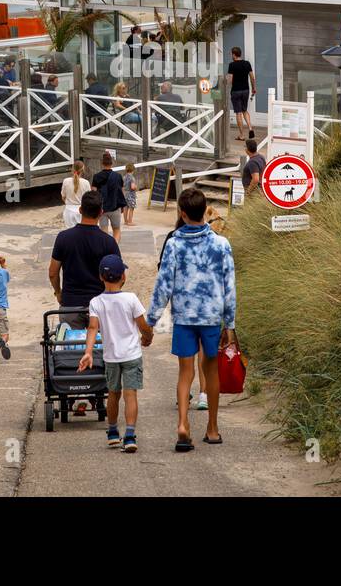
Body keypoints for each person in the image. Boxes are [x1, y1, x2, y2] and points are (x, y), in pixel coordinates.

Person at [146, 187, 236, 452]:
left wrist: (149, 322)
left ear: (183, 214)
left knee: (185, 373)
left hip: (184, 317)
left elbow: (163, 286)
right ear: (204, 210)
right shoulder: (221, 244)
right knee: (211, 371)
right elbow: (230, 286)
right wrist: (230, 324)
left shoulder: (174, 244)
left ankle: (183, 424)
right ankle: (212, 429)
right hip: (211, 317)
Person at [77, 254, 153, 452]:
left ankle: (112, 432)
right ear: (123, 277)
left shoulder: (96, 302)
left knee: (113, 394)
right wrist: (148, 336)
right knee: (130, 395)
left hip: (111, 357)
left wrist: (88, 352)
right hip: (131, 355)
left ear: (101, 277)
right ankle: (129, 435)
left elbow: (93, 328)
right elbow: (142, 325)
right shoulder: (131, 298)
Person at [49, 191, 120, 331]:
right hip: (100, 303)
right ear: (101, 212)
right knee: (100, 348)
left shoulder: (63, 238)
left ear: (80, 210)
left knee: (72, 350)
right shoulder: (109, 242)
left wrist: (58, 292)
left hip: (70, 303)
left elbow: (52, 272)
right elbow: (119, 277)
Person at [91, 151, 126, 243]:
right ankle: (114, 248)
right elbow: (122, 192)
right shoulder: (118, 176)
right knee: (116, 229)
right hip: (115, 207)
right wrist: (122, 206)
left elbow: (94, 193)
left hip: (102, 209)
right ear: (112, 163)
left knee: (104, 231)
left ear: (102, 163)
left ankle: (105, 249)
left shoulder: (96, 177)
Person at [226, 46, 256, 140]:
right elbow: (252, 77)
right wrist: (254, 88)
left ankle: (242, 135)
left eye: (231, 54)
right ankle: (250, 128)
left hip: (236, 91)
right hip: (245, 91)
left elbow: (230, 80)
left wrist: (226, 88)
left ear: (234, 55)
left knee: (238, 113)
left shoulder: (232, 65)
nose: (231, 55)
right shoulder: (247, 63)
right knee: (244, 110)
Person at [60, 161, 92, 229]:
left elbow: (63, 197)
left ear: (72, 169)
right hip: (82, 210)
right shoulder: (86, 183)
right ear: (83, 170)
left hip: (69, 210)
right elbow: (89, 199)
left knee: (70, 234)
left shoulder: (66, 181)